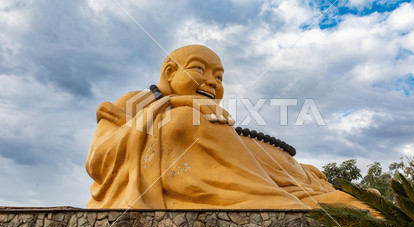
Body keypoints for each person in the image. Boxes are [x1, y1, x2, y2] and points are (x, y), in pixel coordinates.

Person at [86, 45, 369, 210]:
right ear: (170, 72)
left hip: (264, 171)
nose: (212, 81)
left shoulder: (205, 114)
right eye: (200, 69)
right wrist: (182, 105)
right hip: (180, 168)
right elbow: (97, 159)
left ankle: (315, 194)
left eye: (219, 76)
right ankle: (294, 200)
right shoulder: (136, 101)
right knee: (184, 123)